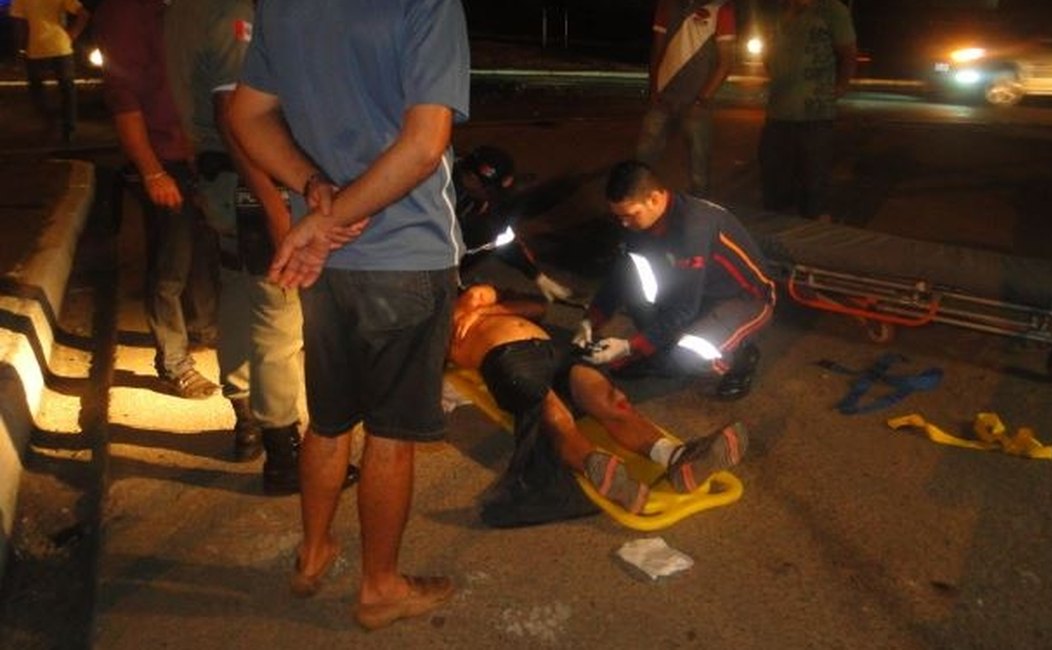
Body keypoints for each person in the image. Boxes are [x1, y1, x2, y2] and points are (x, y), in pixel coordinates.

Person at [227, 0, 468, 632]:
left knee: (329, 420)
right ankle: (381, 588)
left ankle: (312, 555)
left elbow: (246, 116)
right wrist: (325, 221)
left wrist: (314, 192)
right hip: (407, 256)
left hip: (327, 268)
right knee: (388, 434)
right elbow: (423, 145)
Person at [162, 0, 357, 493]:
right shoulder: (233, 9)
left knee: (238, 289)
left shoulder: (186, 9)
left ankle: (246, 416)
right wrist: (273, 205)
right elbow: (233, 114)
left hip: (220, 176)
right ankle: (283, 449)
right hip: (251, 179)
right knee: (280, 309)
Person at [450, 284, 749, 518]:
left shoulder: (483, 295)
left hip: (554, 351)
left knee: (611, 400)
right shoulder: (431, 319)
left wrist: (487, 308)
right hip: (507, 358)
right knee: (554, 417)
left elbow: (538, 306)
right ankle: (597, 467)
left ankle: (675, 458)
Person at [94, 0, 220, 400]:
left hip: (202, 155)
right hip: (166, 158)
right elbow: (124, 100)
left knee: (205, 252)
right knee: (172, 264)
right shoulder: (126, 12)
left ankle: (201, 330)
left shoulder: (184, 11)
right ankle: (174, 361)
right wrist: (152, 171)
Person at [575, 160, 776, 400]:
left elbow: (684, 307)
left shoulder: (693, 228)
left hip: (745, 297)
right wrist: (591, 320)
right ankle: (656, 355)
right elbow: (623, 273)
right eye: (618, 217)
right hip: (697, 289)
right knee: (638, 283)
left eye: (630, 216)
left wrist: (630, 346)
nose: (624, 224)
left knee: (689, 355)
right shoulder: (640, 223)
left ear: (655, 198)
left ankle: (742, 358)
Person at [758, 0, 857, 221]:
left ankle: (813, 233)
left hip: (815, 114)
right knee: (773, 176)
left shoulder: (831, 10)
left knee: (813, 181)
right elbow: (769, 54)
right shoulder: (779, 11)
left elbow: (848, 54)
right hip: (778, 112)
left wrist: (840, 88)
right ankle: (778, 233)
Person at [636, 0, 736, 197]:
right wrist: (654, 89)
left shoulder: (720, 9)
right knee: (644, 157)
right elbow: (657, 50)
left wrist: (702, 99)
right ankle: (636, 200)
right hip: (664, 97)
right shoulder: (666, 6)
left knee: (699, 166)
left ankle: (699, 209)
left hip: (696, 102)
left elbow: (726, 62)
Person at [454, 146, 573, 303]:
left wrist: (537, 275)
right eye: (490, 191)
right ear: (469, 177)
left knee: (484, 232)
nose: (492, 197)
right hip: (422, 256)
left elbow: (500, 238)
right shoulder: (439, 191)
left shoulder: (489, 199)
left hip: (453, 252)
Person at [9, 0, 89, 143]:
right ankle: (68, 130)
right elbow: (83, 13)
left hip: (36, 48)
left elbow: (19, 25)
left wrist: (20, 50)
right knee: (67, 90)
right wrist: (72, 34)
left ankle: (50, 121)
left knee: (37, 88)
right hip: (60, 46)